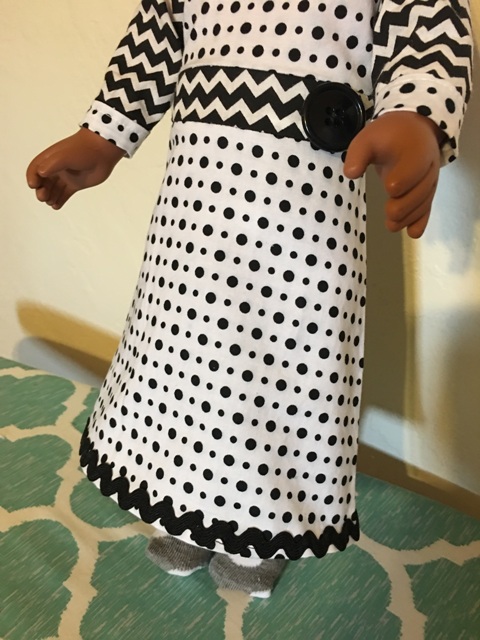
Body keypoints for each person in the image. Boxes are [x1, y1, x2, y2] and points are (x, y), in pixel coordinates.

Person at [27, 0, 473, 598]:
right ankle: (182, 508)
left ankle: (259, 531)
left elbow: (427, 30)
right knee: (180, 361)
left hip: (301, 223)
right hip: (192, 216)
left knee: (277, 372)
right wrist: (103, 135)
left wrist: (417, 117)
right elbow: (159, 34)